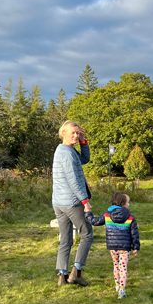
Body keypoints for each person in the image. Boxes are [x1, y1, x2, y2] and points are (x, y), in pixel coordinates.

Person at [52, 120, 94, 287]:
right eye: (73, 133)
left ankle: (62, 276)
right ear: (63, 134)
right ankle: (76, 272)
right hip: (71, 202)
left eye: (78, 133)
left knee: (66, 239)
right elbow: (73, 181)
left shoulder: (63, 149)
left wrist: (84, 141)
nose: (76, 136)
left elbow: (84, 159)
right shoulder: (68, 154)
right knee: (87, 234)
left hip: (58, 202)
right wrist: (85, 202)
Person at [86, 191, 140, 298]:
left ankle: (117, 285)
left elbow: (95, 221)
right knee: (123, 267)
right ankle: (122, 291)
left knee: (116, 265)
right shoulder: (130, 217)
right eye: (128, 202)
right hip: (125, 247)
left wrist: (88, 213)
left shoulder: (107, 215)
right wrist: (135, 246)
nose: (129, 205)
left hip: (112, 247)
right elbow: (134, 233)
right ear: (123, 203)